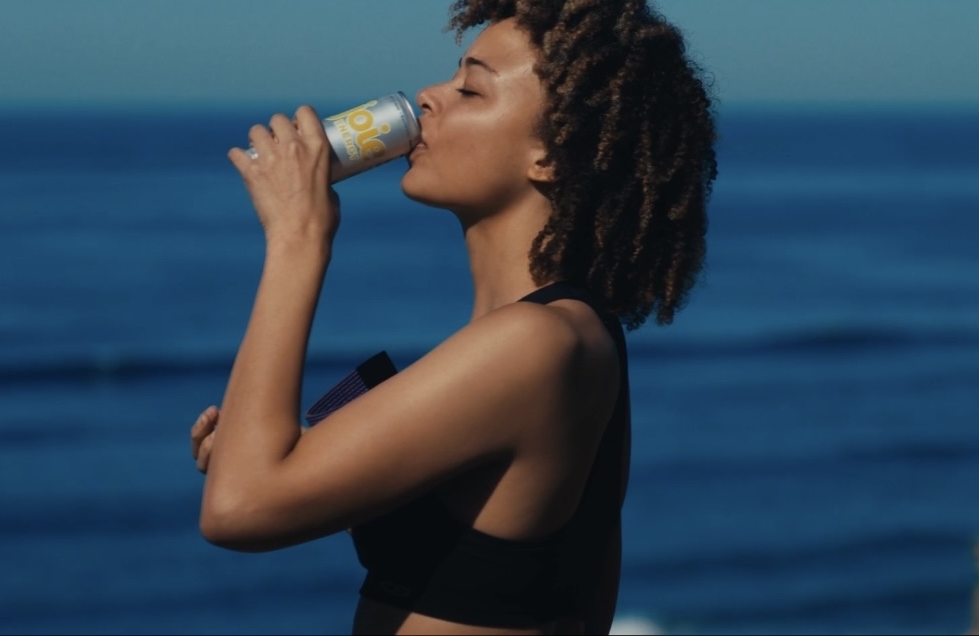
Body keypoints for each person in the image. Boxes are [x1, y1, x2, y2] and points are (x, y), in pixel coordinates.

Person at [189, 0, 717, 633]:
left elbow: (239, 510)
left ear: (551, 155)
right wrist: (255, 449)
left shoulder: (535, 343)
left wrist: (298, 238)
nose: (429, 98)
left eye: (471, 89)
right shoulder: (566, 337)